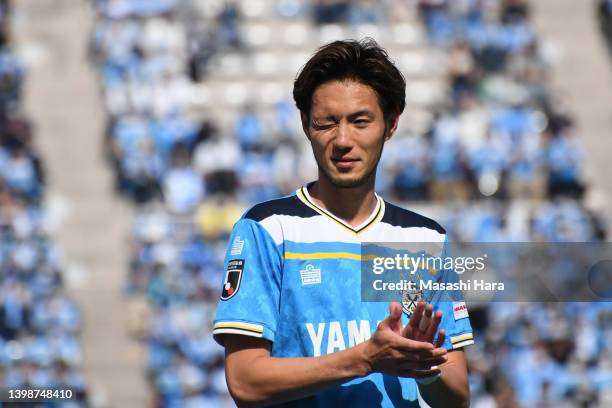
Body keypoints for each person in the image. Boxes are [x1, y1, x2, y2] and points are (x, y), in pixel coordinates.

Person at [212, 39, 474, 407]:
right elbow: (245, 381)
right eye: (327, 123)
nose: (343, 140)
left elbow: (457, 396)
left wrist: (421, 359)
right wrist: (366, 358)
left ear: (392, 123)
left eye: (360, 121)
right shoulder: (267, 229)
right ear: (306, 125)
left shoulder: (425, 238)